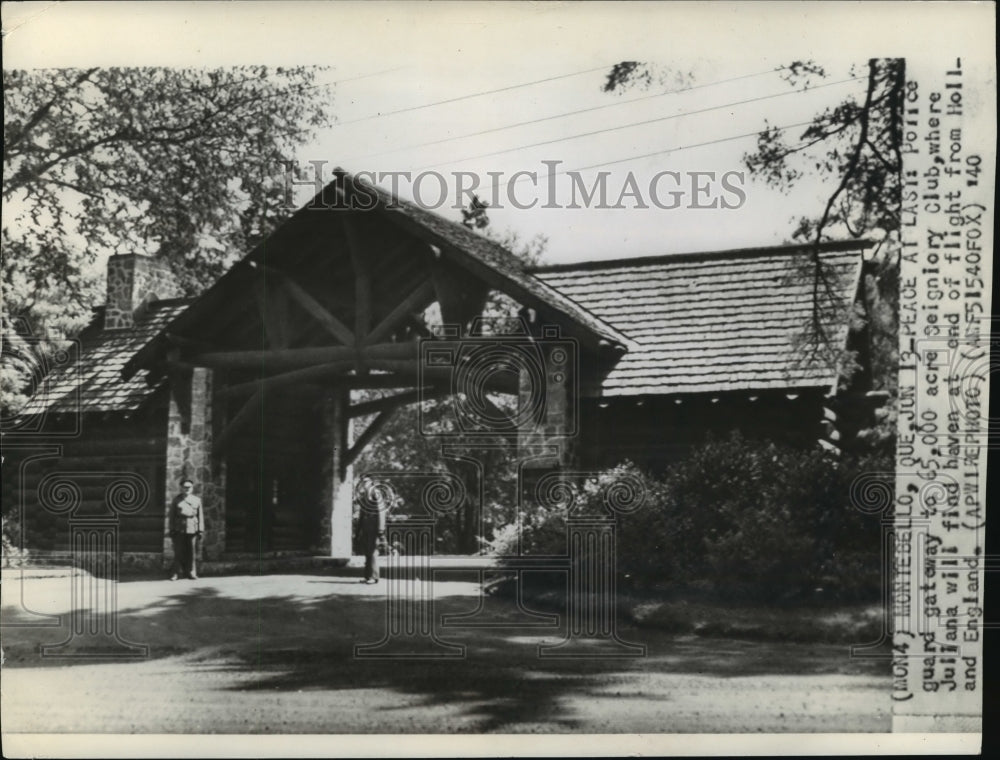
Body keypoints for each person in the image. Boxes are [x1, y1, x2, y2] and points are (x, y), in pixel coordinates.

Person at [169, 478, 205, 580]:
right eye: (185, 487)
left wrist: (200, 530)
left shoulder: (197, 500)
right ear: (181, 488)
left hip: (192, 528)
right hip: (179, 528)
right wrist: (171, 529)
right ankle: (175, 573)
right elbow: (172, 516)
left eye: (189, 487)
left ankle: (191, 572)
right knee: (178, 551)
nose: (187, 489)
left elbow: (200, 516)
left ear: (192, 488)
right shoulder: (177, 500)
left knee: (191, 552)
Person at [359, 477, 388, 584]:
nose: (364, 484)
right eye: (363, 482)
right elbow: (362, 514)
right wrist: (359, 529)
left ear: (371, 483)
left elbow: (381, 511)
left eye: (366, 482)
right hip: (366, 527)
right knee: (367, 552)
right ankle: (367, 576)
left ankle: (374, 576)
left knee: (372, 552)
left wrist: (380, 529)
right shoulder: (364, 496)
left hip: (374, 528)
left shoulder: (376, 494)